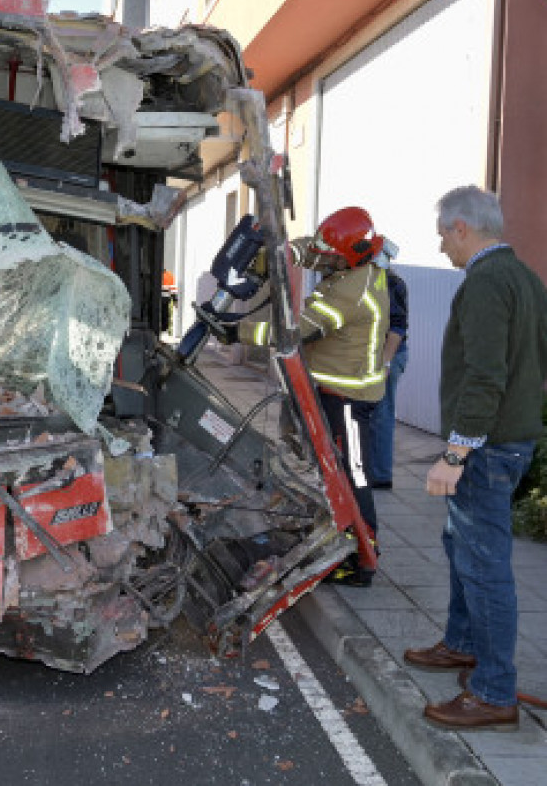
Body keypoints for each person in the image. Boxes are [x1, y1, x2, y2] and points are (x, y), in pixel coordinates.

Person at [403, 185, 547, 732]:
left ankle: (493, 692)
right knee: (459, 543)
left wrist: (456, 454)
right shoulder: (526, 279)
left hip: (485, 449)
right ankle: (462, 644)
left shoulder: (486, 283)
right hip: (508, 441)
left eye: (443, 236)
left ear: (462, 227)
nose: (442, 249)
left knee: (484, 565)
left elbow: (486, 375)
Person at [229, 206, 389, 586]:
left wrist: (236, 332)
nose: (324, 259)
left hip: (350, 398)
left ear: (351, 256)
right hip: (332, 392)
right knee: (331, 473)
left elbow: (295, 331)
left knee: (353, 476)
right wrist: (281, 250)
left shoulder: (350, 292)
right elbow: (314, 251)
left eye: (332, 255)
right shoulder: (350, 265)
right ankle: (339, 537)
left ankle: (362, 557)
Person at [367, 239, 409, 489]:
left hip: (389, 354)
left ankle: (381, 475)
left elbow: (397, 328)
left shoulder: (391, 283)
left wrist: (384, 364)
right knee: (371, 415)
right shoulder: (372, 281)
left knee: (381, 415)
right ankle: (372, 470)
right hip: (376, 354)